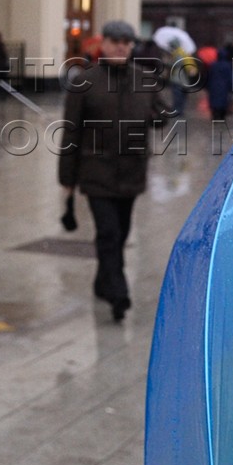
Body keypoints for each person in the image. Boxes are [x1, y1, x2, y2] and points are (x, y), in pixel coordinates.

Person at [57, 19, 175, 323]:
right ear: (103, 45)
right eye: (115, 41)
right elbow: (71, 132)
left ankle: (101, 280)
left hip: (132, 170)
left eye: (127, 42)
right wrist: (66, 180)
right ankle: (118, 291)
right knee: (108, 233)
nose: (121, 46)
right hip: (96, 171)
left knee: (119, 233)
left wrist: (159, 107)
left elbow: (164, 116)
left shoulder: (144, 79)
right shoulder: (85, 81)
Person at [207, 44, 233, 121]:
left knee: (214, 103)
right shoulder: (228, 65)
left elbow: (208, 77)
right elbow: (231, 77)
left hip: (213, 87)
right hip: (224, 88)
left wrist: (207, 86)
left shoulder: (213, 65)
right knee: (223, 103)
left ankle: (215, 117)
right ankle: (221, 119)